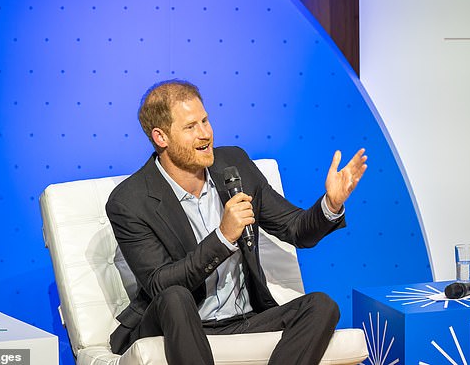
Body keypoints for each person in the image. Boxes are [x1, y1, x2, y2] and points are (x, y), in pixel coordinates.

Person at [106, 79, 367, 365]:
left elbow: (296, 229)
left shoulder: (234, 164)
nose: (205, 134)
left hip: (245, 318)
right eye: (191, 127)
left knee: (322, 306)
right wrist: (222, 238)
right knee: (175, 297)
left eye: (205, 120)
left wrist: (330, 204)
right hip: (181, 322)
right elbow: (159, 284)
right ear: (161, 137)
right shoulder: (130, 201)